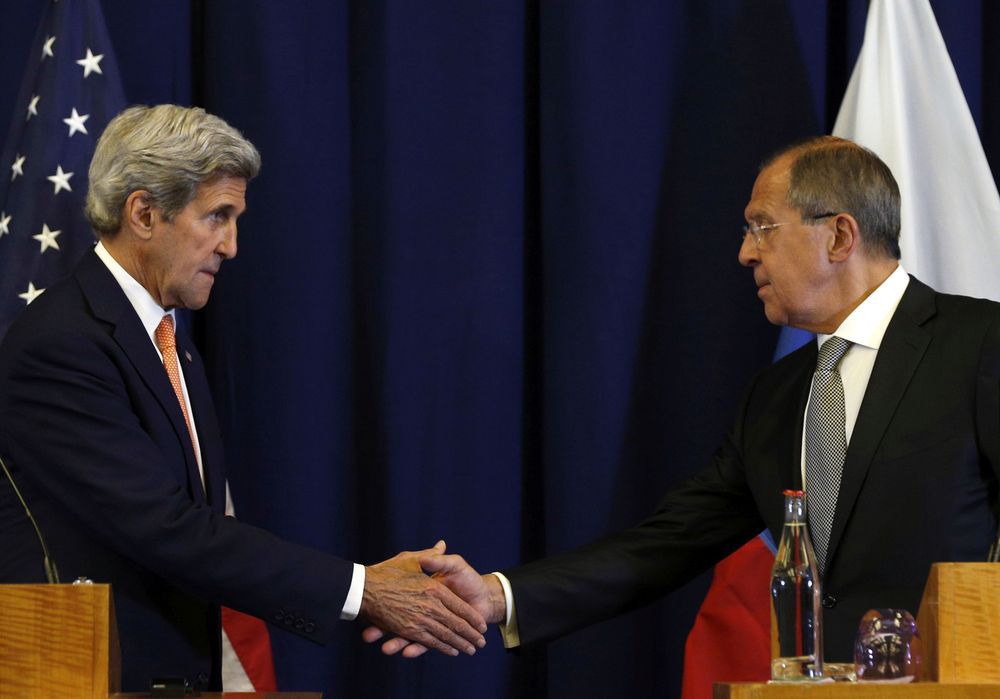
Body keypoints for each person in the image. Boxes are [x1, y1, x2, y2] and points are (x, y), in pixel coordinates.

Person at [365, 136, 1000, 664]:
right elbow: (668, 544)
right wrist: (499, 598)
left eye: (761, 228)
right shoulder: (776, 397)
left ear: (839, 237)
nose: (746, 251)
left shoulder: (980, 346)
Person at [0, 104, 486, 692]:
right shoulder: (61, 344)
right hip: (84, 677)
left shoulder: (168, 341)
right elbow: (167, 528)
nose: (231, 245)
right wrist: (363, 590)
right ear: (145, 213)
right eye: (217, 217)